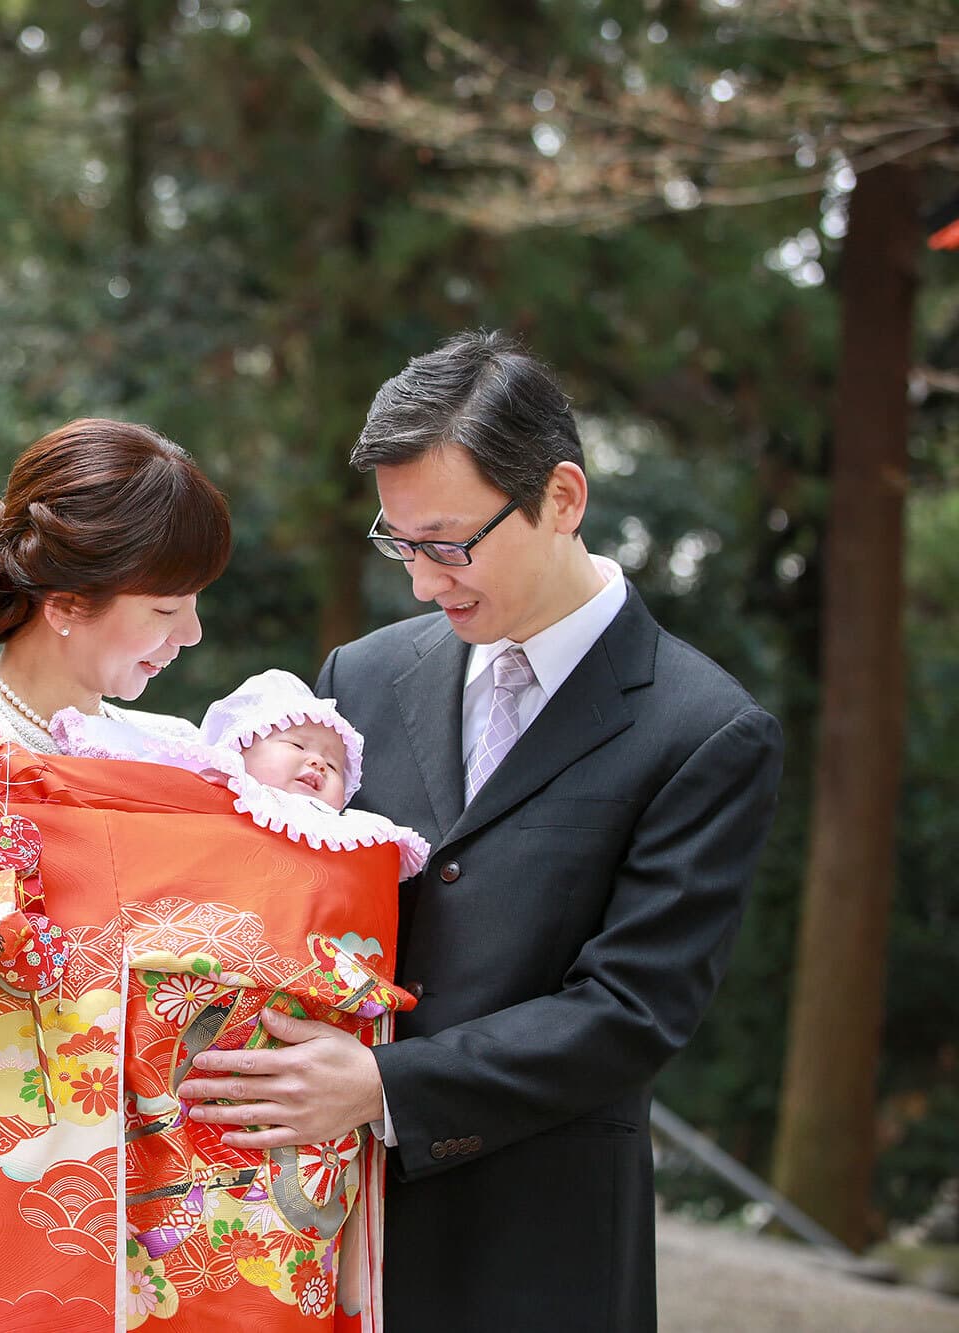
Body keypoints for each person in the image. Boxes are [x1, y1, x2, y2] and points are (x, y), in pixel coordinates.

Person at [177, 330, 784, 1332]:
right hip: (321, 1231)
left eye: (449, 544)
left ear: (561, 499)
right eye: (398, 542)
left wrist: (380, 1084)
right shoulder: (358, 678)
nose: (421, 581)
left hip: (538, 1249)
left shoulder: (702, 729)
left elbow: (630, 1011)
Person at [0, 419, 414, 1332]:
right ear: (68, 602)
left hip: (168, 1171)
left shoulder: (172, 752)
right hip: (6, 1159)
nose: (194, 633)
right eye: (168, 608)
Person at [51, 667, 430, 877]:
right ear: (239, 749)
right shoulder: (217, 782)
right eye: (297, 746)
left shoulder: (341, 830)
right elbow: (148, 764)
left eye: (332, 764)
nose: (317, 762)